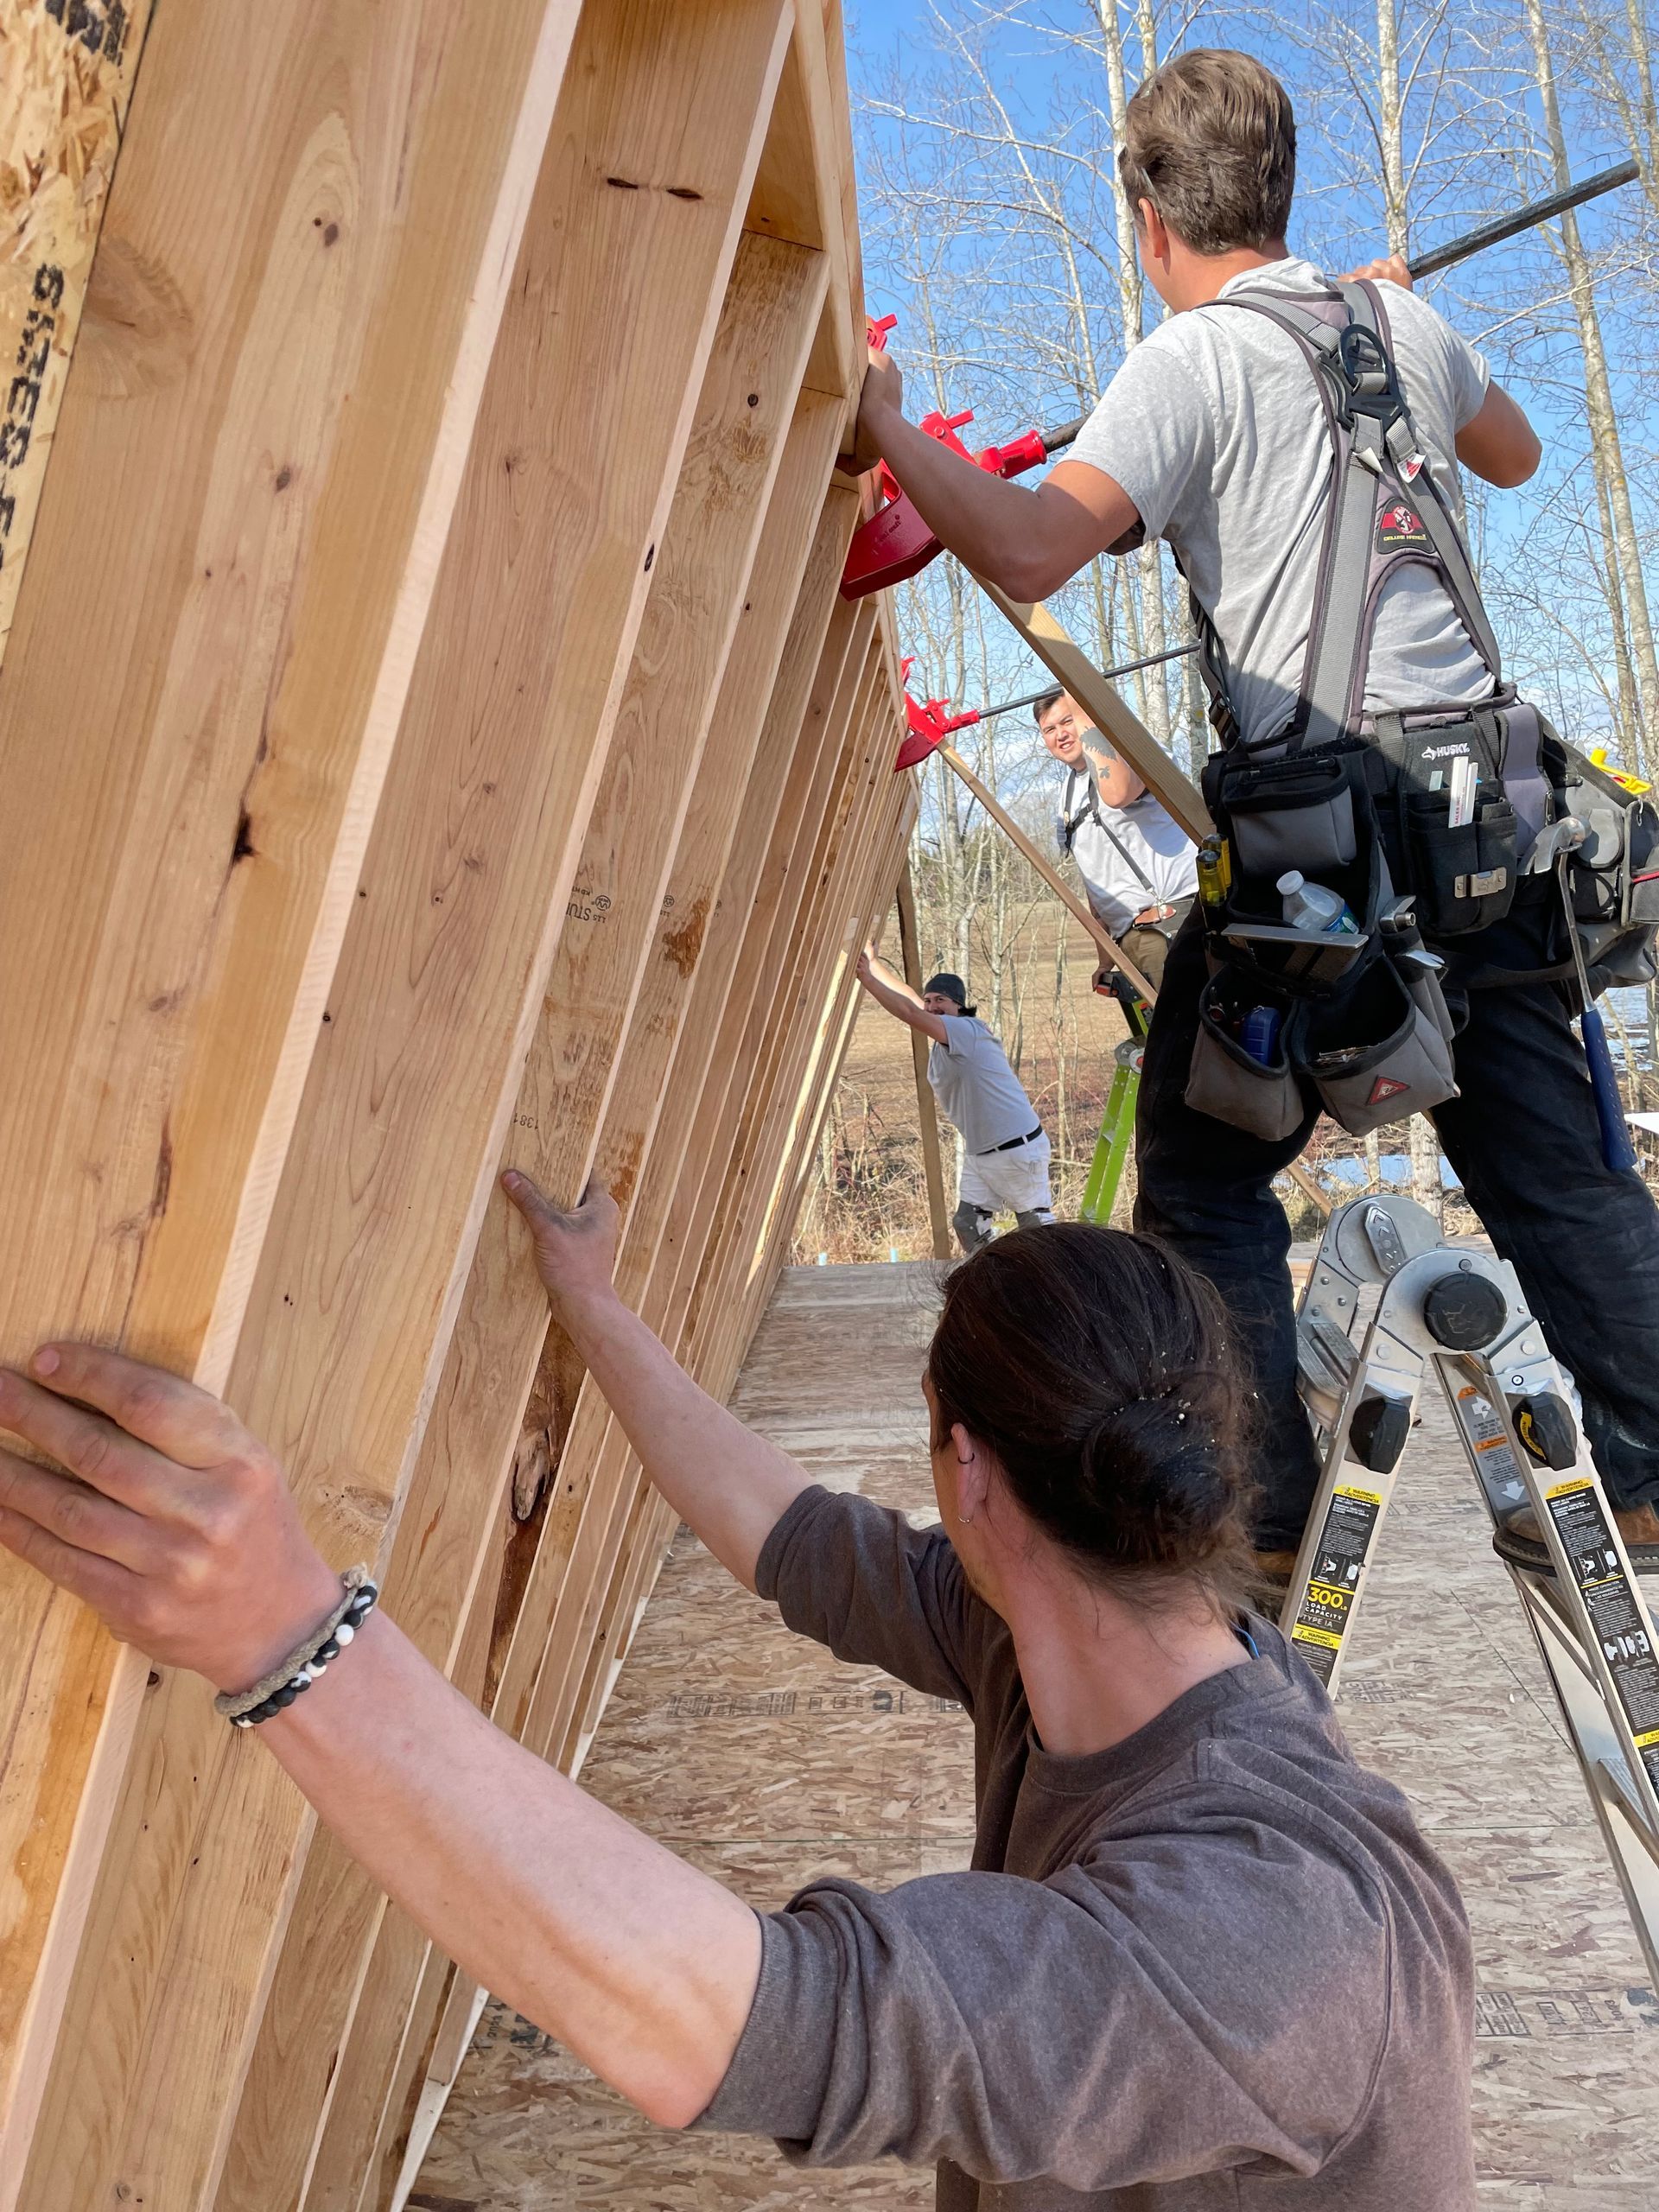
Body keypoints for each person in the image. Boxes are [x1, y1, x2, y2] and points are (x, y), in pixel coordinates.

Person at [0, 1177, 1478, 2208]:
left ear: (964, 1468)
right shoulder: (1075, 1649)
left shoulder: (1273, 1939)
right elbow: (788, 1534)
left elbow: (751, 2025)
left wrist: (290, 1636)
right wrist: (593, 1308)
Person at [847, 47, 1659, 1580]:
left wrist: (890, 429)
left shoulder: (1195, 360)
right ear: (1283, 188)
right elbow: (1515, 453)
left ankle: (1259, 1520)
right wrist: (1394, 317)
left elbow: (1029, 550)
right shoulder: (1393, 321)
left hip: (1328, 834)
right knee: (1556, 1175)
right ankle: (1657, 1463)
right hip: (1491, 806)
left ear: (1151, 214)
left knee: (1212, 1173)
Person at [854, 944, 1054, 1251]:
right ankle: (992, 1282)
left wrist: (867, 980)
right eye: (929, 1000)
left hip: (1016, 1150)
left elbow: (908, 1011)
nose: (932, 1006)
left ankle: (1054, 1284)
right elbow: (910, 998)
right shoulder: (944, 1035)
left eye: (941, 1001)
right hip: (983, 1152)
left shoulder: (965, 1030)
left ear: (959, 1006)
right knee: (968, 1223)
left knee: (1035, 1229)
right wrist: (875, 962)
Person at [1037, 686, 1198, 991]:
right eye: (1049, 729)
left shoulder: (1128, 755)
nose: (1061, 735)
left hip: (1175, 923)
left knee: (1192, 1032)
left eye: (1067, 721)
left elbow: (1118, 793)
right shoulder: (1067, 798)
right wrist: (1106, 958)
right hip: (1132, 941)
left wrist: (1080, 698)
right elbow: (1094, 882)